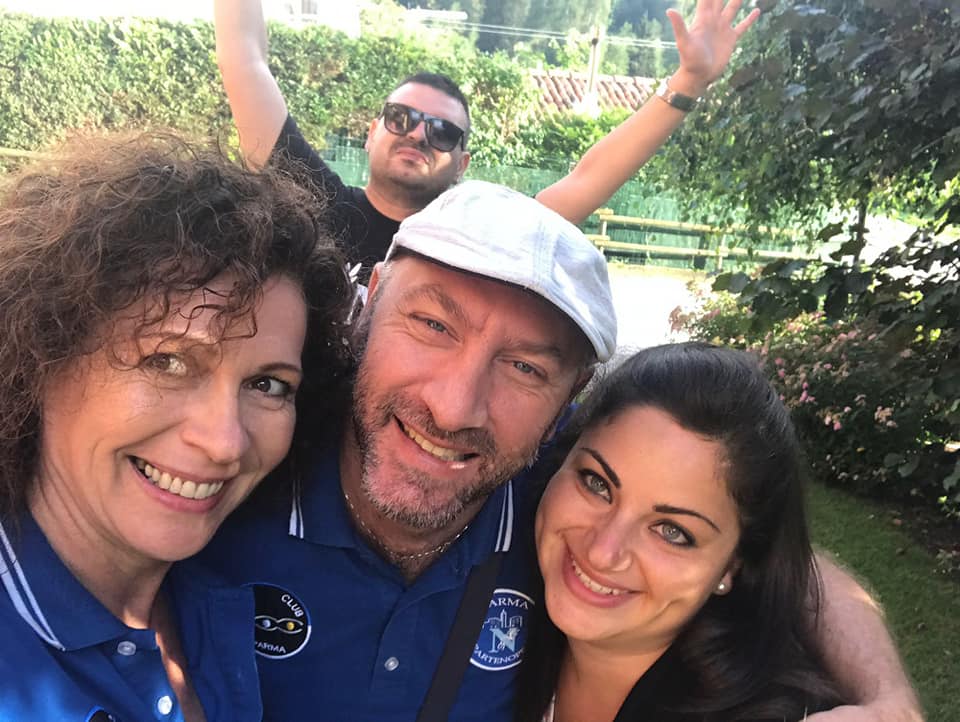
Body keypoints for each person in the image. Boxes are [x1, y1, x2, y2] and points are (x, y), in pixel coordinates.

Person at [200, 180, 922, 721]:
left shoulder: (557, 504)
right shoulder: (240, 463)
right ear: (372, 299)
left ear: (568, 399)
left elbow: (772, 555)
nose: (454, 408)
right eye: (432, 325)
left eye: (525, 368)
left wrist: (889, 699)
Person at [0, 131, 353, 721]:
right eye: (167, 361)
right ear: (42, 353)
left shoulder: (218, 600)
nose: (224, 442)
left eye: (268, 385)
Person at [213, 0, 761, 280]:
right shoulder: (314, 201)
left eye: (443, 131)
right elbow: (245, 63)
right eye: (401, 117)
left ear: (462, 162)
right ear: (372, 131)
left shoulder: (470, 239)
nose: (419, 134)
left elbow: (583, 182)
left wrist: (687, 82)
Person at [517, 342, 846, 722]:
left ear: (733, 565)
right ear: (561, 459)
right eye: (597, 484)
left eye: (672, 532)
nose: (602, 552)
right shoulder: (511, 594)